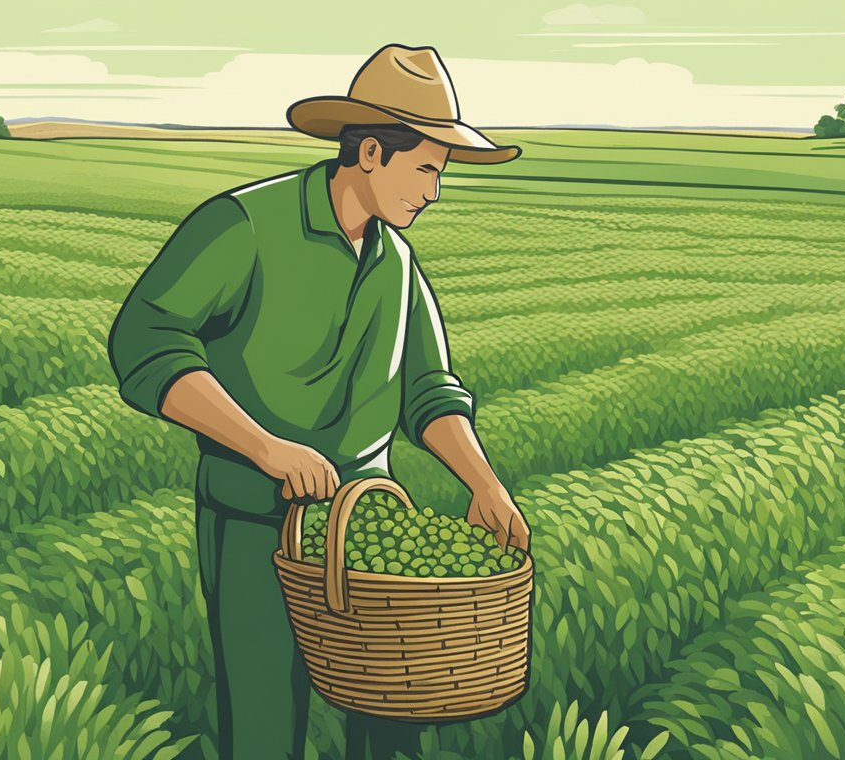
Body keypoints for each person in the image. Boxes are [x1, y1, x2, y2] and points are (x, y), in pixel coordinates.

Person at [107, 43, 532, 760]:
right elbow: (145, 343)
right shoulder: (244, 226)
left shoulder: (395, 263)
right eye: (427, 167)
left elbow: (430, 392)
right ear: (370, 152)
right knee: (267, 719)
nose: (434, 192)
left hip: (367, 528)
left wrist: (484, 483)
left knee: (395, 718)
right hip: (255, 525)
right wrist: (265, 448)